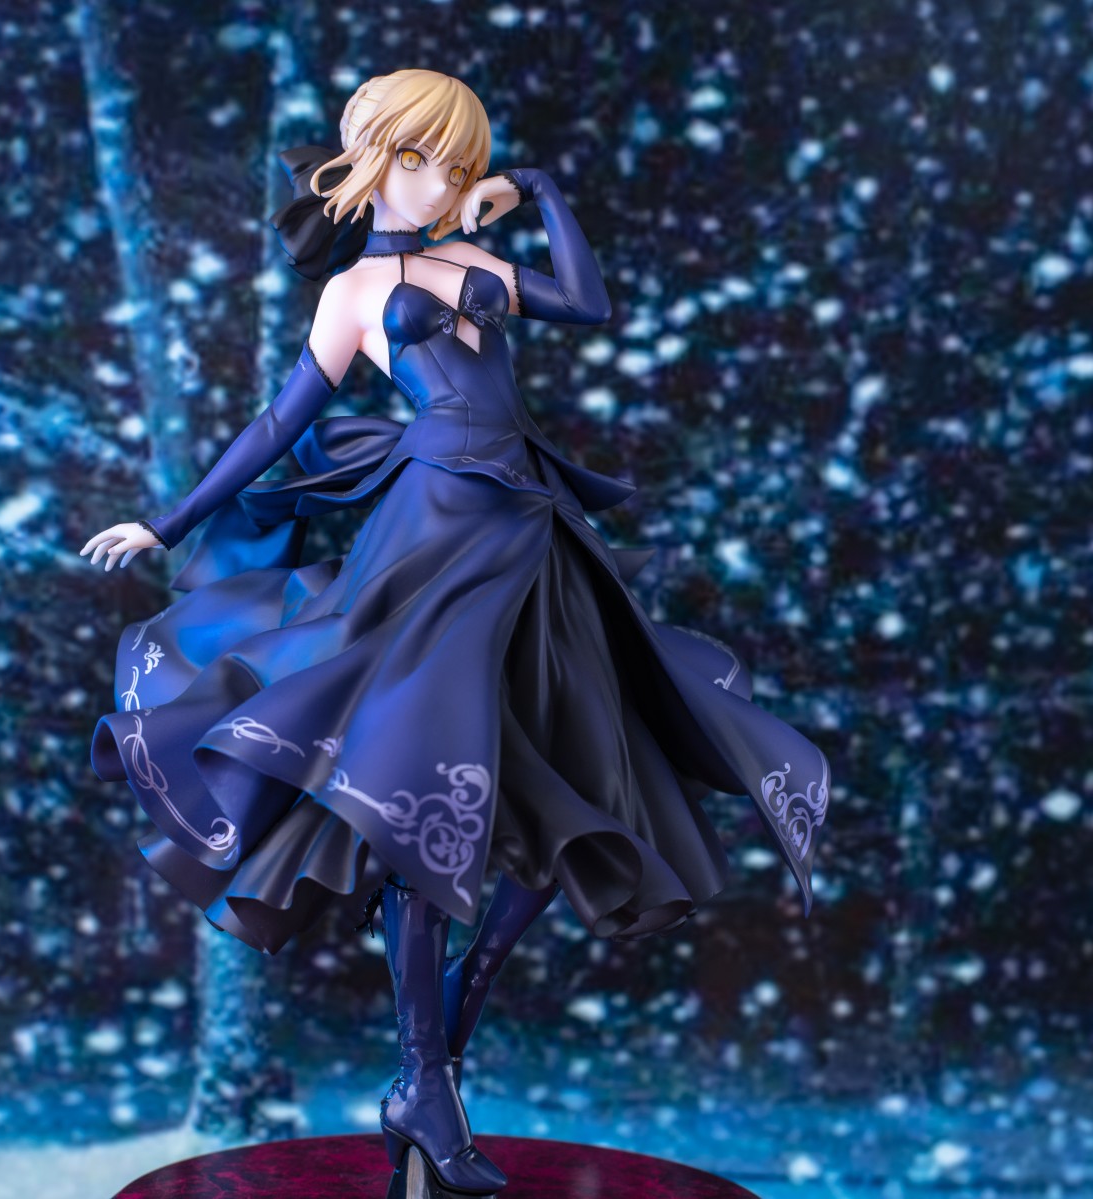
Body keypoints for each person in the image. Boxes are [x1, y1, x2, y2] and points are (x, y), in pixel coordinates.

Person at [81, 68, 831, 1197]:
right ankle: (424, 1081)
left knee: (580, 772)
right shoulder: (350, 293)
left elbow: (585, 304)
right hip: (429, 535)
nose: (444, 182)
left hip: (530, 529)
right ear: (376, 157)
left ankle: (442, 1039)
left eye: (461, 163)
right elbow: (276, 425)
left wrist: (535, 187)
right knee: (412, 789)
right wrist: (167, 519)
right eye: (426, 158)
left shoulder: (473, 259)